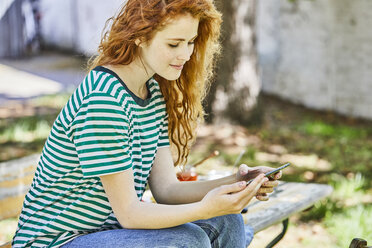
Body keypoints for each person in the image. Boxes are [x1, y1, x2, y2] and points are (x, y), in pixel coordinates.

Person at [12, 0, 282, 247]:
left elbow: (166, 190)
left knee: (227, 221)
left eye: (190, 42)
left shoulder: (150, 92)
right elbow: (130, 214)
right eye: (173, 44)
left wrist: (237, 182)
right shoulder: (105, 100)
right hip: (58, 242)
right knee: (187, 241)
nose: (185, 54)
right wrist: (206, 208)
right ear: (140, 36)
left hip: (106, 232)